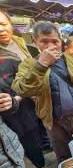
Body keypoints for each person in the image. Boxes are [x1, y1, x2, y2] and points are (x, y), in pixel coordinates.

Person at [12, 21, 73, 163]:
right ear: (35, 41)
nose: (50, 46)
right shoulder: (29, 65)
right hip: (54, 122)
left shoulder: (72, 60)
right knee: (64, 157)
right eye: (44, 41)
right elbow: (22, 89)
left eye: (55, 41)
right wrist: (41, 65)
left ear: (61, 43)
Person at [0, 11, 45, 167]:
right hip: (19, 108)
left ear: (10, 24)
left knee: (44, 136)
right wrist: (16, 98)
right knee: (31, 142)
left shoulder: (24, 45)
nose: (1, 29)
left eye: (3, 24)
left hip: (39, 100)